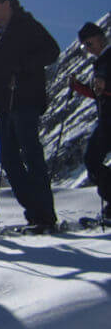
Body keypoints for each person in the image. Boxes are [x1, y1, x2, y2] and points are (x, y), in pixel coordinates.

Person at [0, 0, 60, 231]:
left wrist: (23, 67)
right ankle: (36, 212)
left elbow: (52, 51)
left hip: (25, 98)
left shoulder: (27, 25)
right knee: (9, 158)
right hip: (4, 103)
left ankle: (45, 215)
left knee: (31, 154)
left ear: (8, 5)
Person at [69, 21, 110, 220]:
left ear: (100, 37)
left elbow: (103, 90)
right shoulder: (101, 61)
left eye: (89, 42)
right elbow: (98, 93)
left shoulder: (107, 59)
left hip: (107, 120)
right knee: (91, 159)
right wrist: (78, 87)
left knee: (92, 159)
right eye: (84, 44)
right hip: (105, 118)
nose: (87, 47)